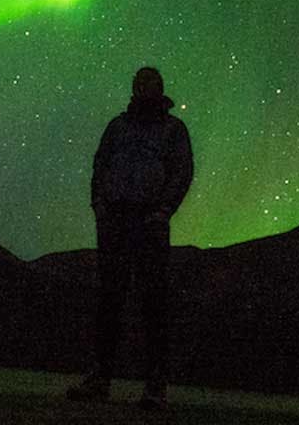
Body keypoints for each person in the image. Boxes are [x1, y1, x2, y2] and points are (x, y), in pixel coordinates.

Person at [66, 66, 194, 411]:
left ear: (159, 89)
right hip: (116, 220)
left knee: (153, 303)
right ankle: (100, 379)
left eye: (148, 84)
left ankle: (154, 384)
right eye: (138, 84)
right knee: (109, 300)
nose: (142, 89)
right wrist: (99, 205)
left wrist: (163, 210)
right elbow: (100, 164)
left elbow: (182, 171)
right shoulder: (117, 127)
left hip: (150, 221)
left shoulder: (173, 130)